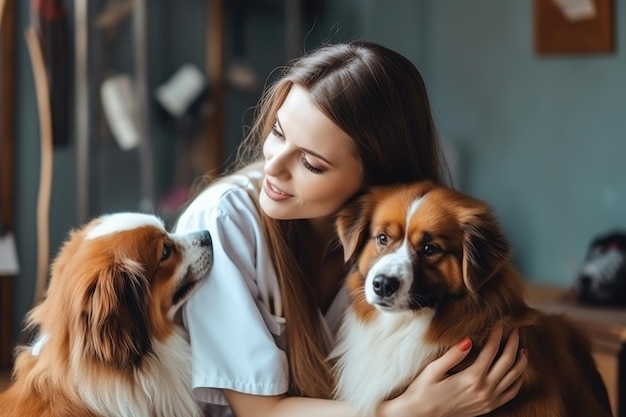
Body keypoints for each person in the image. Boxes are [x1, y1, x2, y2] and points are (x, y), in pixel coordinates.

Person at [175, 40, 527, 417]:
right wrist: (403, 412)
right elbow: (259, 412)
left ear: (373, 177)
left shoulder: (389, 240)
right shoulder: (224, 220)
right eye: (278, 132)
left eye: (310, 163)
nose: (273, 167)